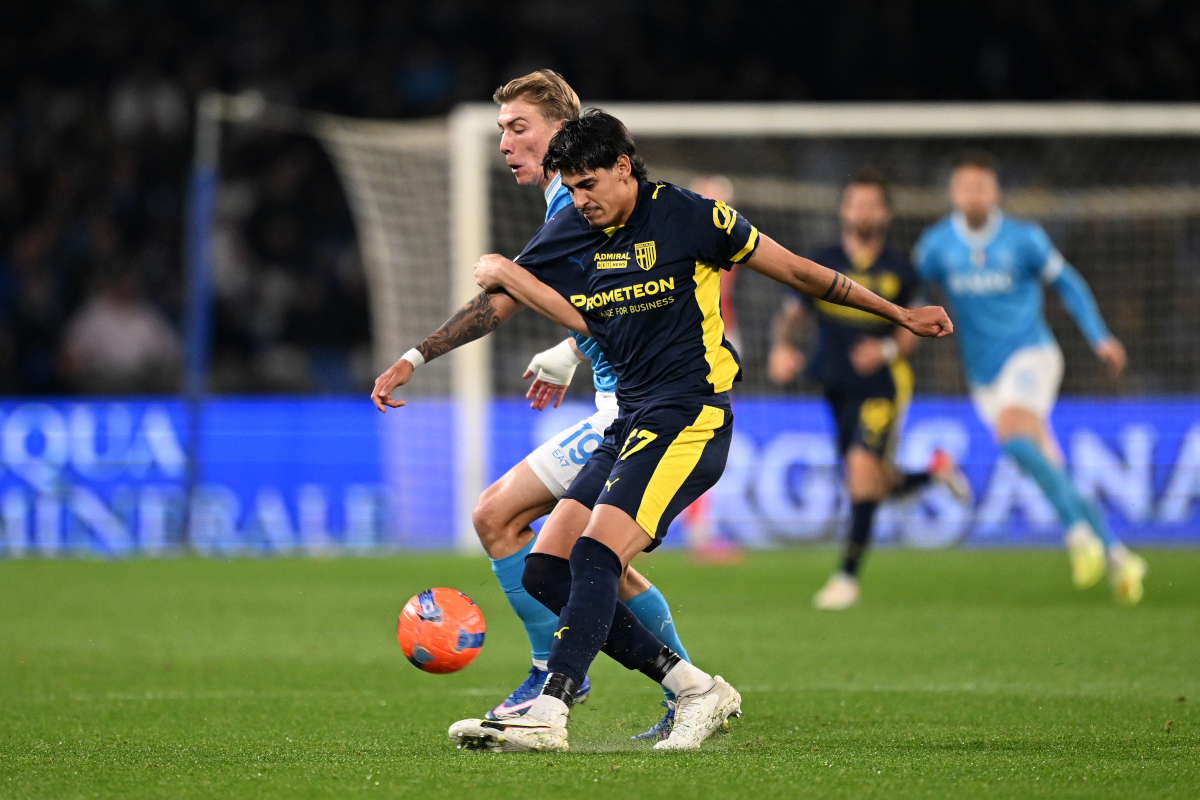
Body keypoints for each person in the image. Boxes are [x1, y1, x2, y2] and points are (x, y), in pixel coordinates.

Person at [450, 110, 952, 752]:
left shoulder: (695, 217)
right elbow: (570, 313)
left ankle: (551, 710)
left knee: (595, 554)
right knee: (549, 569)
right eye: (570, 189)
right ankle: (694, 688)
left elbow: (798, 271)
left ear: (625, 168)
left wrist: (897, 313)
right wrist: (438, 342)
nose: (581, 201)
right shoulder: (580, 229)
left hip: (690, 414)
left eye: (589, 184)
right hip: (630, 418)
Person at [368, 71, 690, 738]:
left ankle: (558, 675)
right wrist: (572, 350)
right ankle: (688, 689)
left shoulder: (575, 207)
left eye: (519, 128)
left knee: (502, 518)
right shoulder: (570, 209)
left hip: (632, 412)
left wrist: (415, 357)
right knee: (601, 562)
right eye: (501, 132)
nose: (506, 143)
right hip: (619, 400)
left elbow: (502, 300)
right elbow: (610, 297)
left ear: (560, 133)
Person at [913, 151, 1146, 605]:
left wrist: (1099, 337)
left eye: (981, 187)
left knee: (1015, 440)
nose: (973, 196)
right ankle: (1115, 552)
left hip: (1032, 356)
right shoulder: (936, 245)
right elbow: (913, 290)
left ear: (995, 192)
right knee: (1046, 463)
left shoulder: (1024, 239)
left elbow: (1069, 285)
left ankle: (1081, 536)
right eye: (964, 187)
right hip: (984, 375)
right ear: (953, 193)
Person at [768, 168, 972, 610]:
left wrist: (884, 352)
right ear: (844, 209)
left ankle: (846, 578)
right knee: (872, 483)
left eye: (870, 204)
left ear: (885, 213)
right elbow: (792, 312)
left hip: (883, 385)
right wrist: (782, 346)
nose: (861, 211)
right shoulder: (822, 259)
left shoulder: (902, 270)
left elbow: (913, 326)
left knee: (862, 475)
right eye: (854, 202)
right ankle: (934, 473)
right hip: (835, 384)